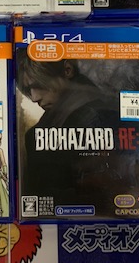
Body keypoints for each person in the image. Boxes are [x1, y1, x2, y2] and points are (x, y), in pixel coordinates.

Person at [16, 55, 118, 206]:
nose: (34, 97)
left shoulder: (95, 117)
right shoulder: (43, 129)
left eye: (39, 85)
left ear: (67, 70)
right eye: (28, 90)